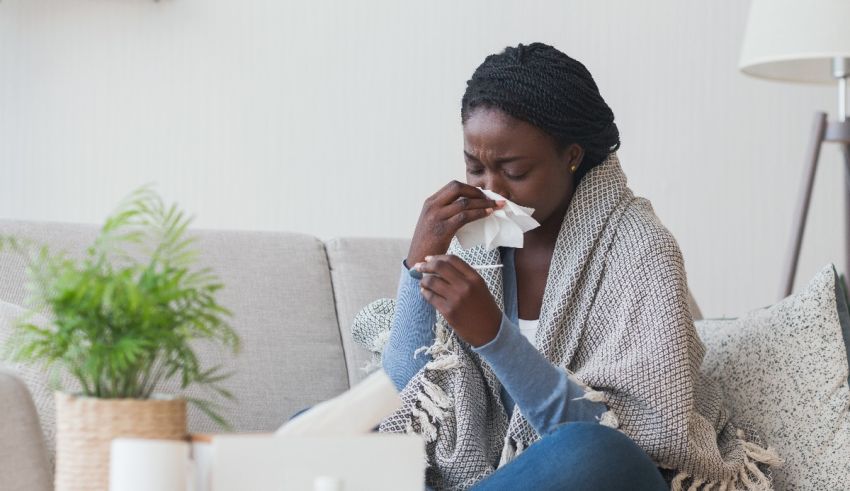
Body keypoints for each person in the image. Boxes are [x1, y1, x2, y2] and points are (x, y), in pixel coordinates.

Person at [357, 42, 780, 491]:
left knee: (590, 452)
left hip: (608, 473)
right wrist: (419, 259)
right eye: (474, 166)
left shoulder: (641, 250)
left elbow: (636, 439)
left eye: (514, 170)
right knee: (323, 436)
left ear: (572, 155)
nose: (491, 188)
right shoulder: (475, 242)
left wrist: (495, 338)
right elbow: (411, 387)